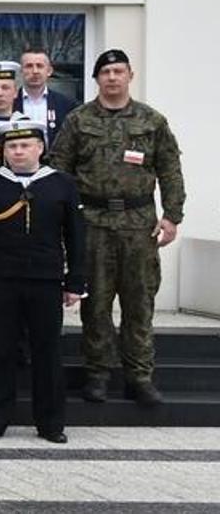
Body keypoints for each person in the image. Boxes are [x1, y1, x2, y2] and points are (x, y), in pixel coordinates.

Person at [50, 48, 185, 408]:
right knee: (95, 304)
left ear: (130, 75)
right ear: (96, 78)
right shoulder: (78, 120)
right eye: (105, 72)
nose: (112, 77)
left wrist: (172, 216)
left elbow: (170, 170)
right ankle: (97, 374)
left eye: (118, 71)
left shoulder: (151, 121)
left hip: (139, 226)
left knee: (139, 303)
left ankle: (139, 376)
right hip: (92, 223)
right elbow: (58, 171)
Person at [0, 118, 87, 443]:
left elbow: (76, 237)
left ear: (40, 148)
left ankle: (51, 423)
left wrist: (75, 281)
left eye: (25, 145)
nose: (18, 151)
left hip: (45, 280)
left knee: (47, 352)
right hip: (1, 278)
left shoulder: (61, 184)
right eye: (12, 146)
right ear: (4, 151)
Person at [16, 45, 79, 144]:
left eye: (39, 66)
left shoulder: (66, 105)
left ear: (49, 71)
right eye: (29, 66)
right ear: (21, 71)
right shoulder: (9, 103)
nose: (35, 71)